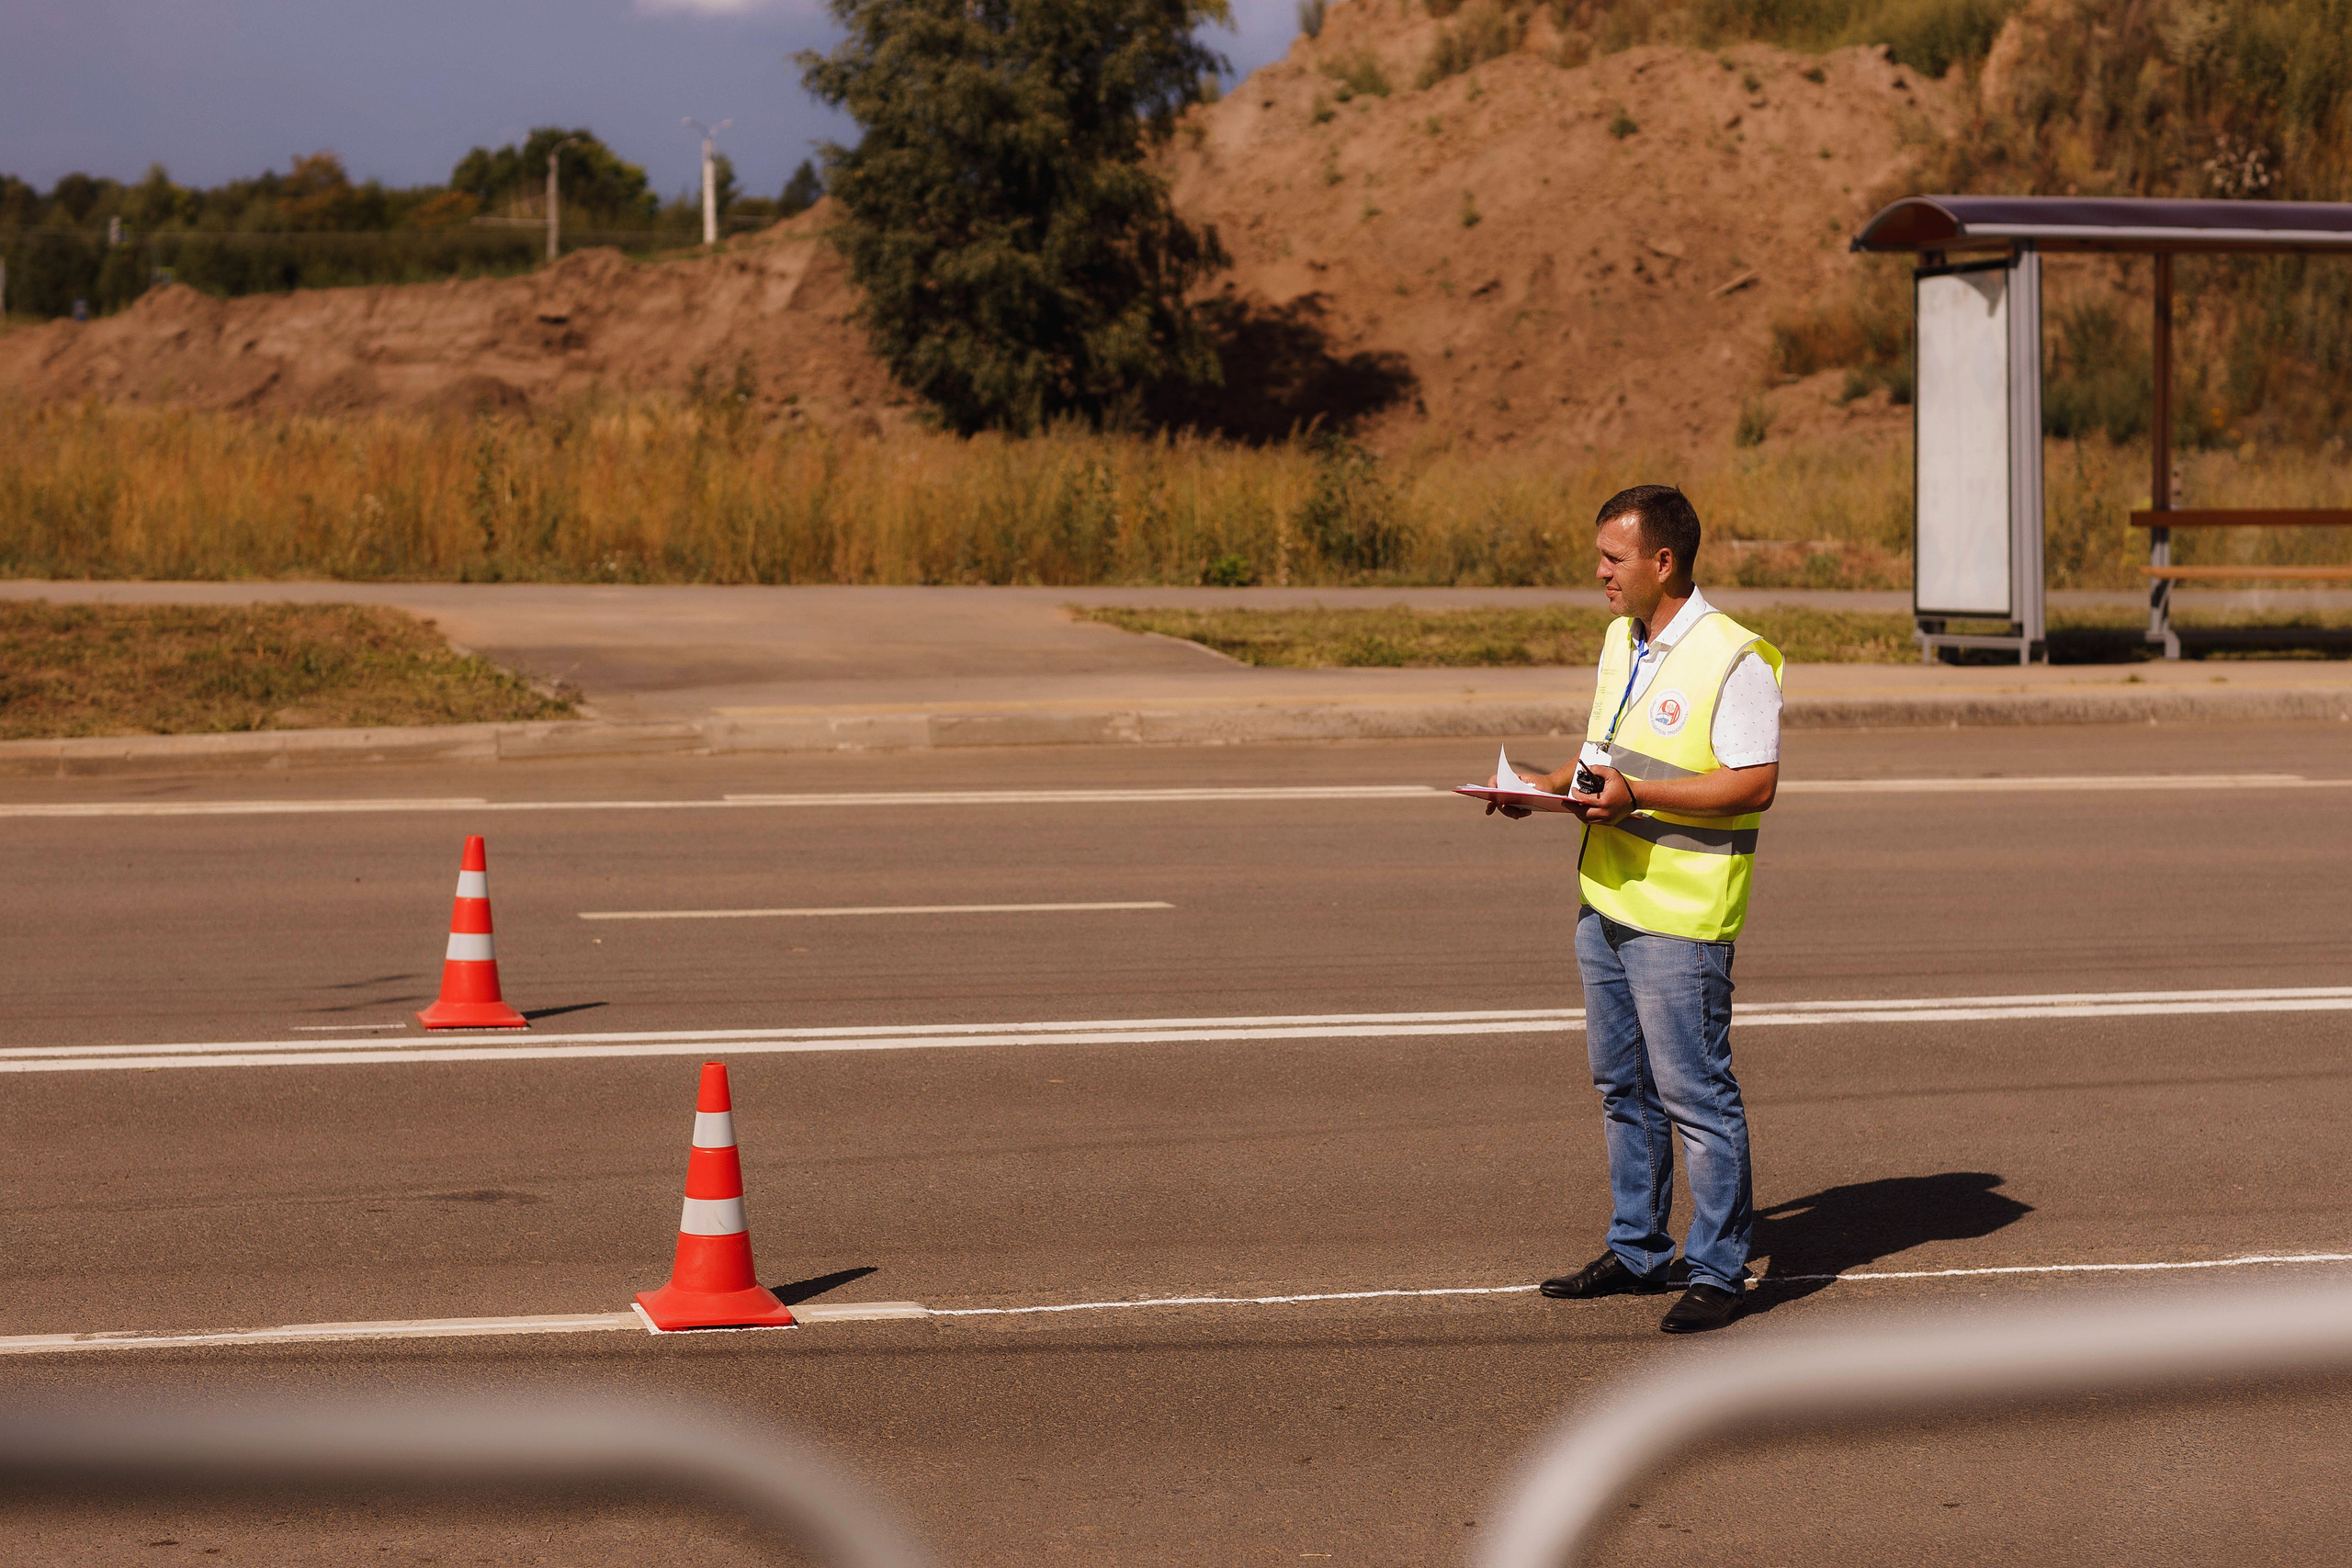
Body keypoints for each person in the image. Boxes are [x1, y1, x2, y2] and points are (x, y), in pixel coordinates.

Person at [1489, 484, 1783, 1334]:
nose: (1600, 573)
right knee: (1623, 1087)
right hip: (1604, 898)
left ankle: (1720, 1268)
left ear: (1663, 562)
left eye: (1613, 559)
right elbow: (1603, 754)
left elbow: (1755, 782)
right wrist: (1538, 790)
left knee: (1695, 1094)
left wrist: (1637, 796)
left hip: (1681, 916)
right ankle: (1640, 1248)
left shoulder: (1736, 656)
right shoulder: (1624, 639)